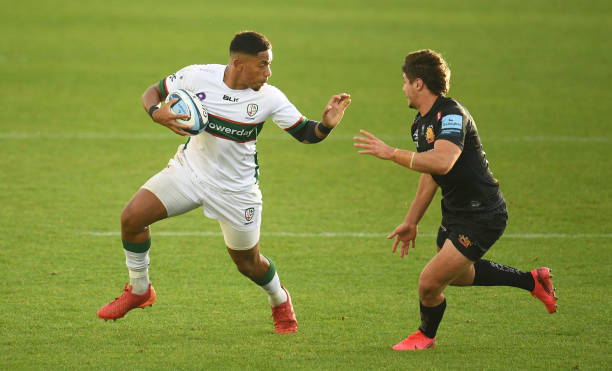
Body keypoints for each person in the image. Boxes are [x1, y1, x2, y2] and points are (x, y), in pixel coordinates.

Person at [97, 31, 351, 334]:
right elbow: (153, 91)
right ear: (237, 63)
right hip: (189, 172)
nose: (268, 73)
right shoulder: (198, 76)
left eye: (269, 65)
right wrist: (156, 113)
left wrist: (326, 125)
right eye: (262, 65)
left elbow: (306, 134)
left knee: (248, 263)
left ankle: (279, 298)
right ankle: (140, 290)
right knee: (132, 218)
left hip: (236, 190)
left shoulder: (269, 97)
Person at [353, 49, 556, 350]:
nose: (403, 88)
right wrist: (411, 221)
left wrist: (392, 153)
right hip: (456, 211)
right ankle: (533, 281)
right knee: (459, 276)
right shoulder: (420, 124)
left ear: (419, 83)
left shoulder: (451, 115)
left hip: (483, 214)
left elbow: (443, 161)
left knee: (429, 282)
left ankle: (425, 336)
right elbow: (431, 173)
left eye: (405, 81)